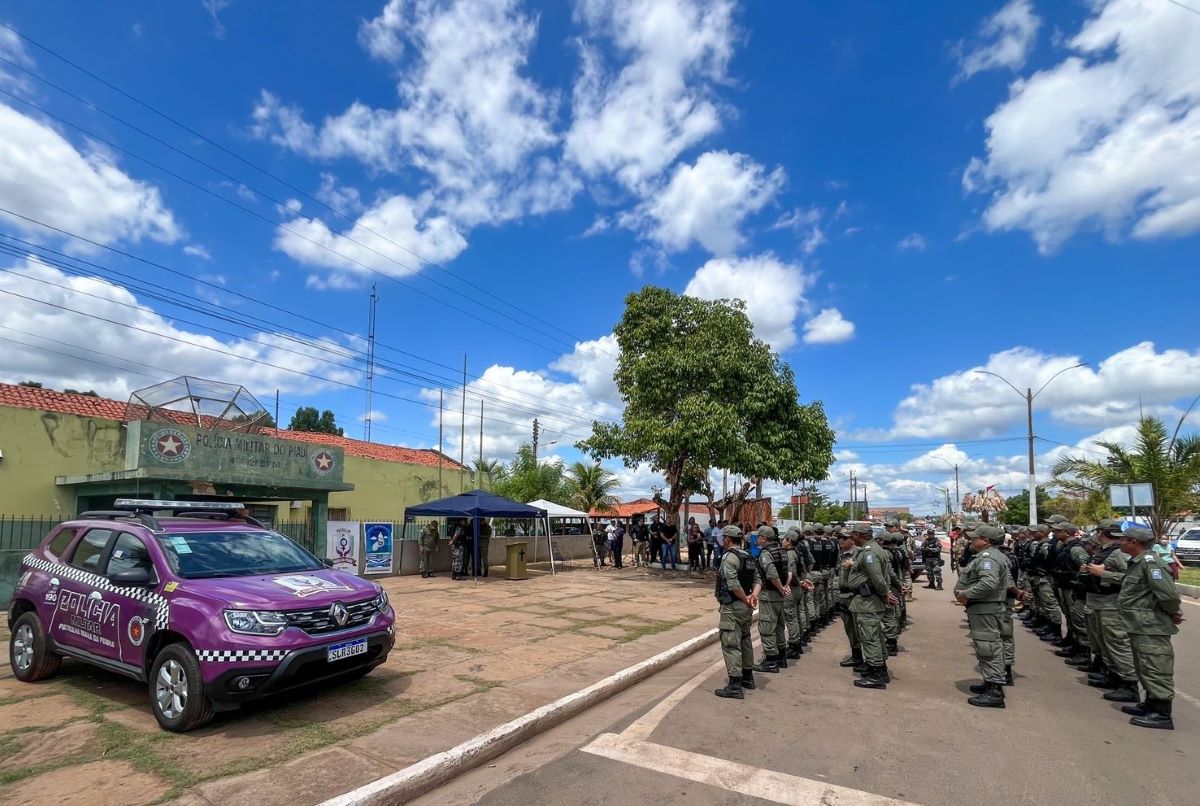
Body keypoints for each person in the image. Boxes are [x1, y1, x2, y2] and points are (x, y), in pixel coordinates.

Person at [1117, 527, 1183, 729]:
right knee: (1144, 667)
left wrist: (1173, 612)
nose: (1121, 543)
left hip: (1151, 626)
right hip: (1139, 624)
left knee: (1156, 668)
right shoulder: (1137, 563)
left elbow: (1169, 595)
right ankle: (1151, 704)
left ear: (1134, 543)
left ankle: (1162, 714)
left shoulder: (1150, 563)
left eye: (1125, 540)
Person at [1080, 521, 1138, 702]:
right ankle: (1113, 675)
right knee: (1105, 643)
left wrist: (1103, 574)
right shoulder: (1106, 551)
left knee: (1117, 644)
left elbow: (1132, 579)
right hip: (1100, 603)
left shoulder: (1118, 553)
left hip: (1111, 605)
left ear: (1102, 533)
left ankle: (1129, 684)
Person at [954, 524, 1011, 708]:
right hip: (983, 609)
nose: (971, 540)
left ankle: (995, 691)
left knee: (989, 647)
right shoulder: (988, 556)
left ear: (985, 541)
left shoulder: (989, 558)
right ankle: (989, 682)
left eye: (975, 538)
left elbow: (988, 583)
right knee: (986, 646)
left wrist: (965, 594)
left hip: (987, 609)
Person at [714, 525, 762, 699]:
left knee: (731, 644)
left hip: (733, 606)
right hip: (745, 607)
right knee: (745, 640)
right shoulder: (748, 556)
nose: (722, 540)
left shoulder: (729, 558)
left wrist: (745, 599)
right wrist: (752, 597)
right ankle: (748, 678)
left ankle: (735, 685)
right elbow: (758, 579)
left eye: (723, 537)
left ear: (728, 538)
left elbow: (733, 584)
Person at [847, 524, 894, 688]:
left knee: (870, 637)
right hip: (868, 601)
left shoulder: (869, 552)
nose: (852, 538)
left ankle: (876, 675)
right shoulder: (871, 549)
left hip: (869, 602)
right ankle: (879, 668)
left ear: (860, 535)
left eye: (853, 535)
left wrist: (885, 593)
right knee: (874, 635)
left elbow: (878, 578)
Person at [754, 526, 791, 673]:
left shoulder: (766, 553)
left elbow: (772, 574)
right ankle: (781, 658)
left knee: (767, 628)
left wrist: (780, 588)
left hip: (770, 594)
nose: (757, 539)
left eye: (759, 537)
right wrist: (784, 587)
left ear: (763, 538)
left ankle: (770, 661)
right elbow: (788, 572)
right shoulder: (782, 551)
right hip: (779, 596)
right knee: (779, 627)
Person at [835, 528, 863, 671]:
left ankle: (867, 659)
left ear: (852, 539)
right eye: (839, 537)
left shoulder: (858, 554)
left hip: (854, 596)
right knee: (849, 628)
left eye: (844, 538)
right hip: (843, 596)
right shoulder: (841, 554)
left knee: (860, 629)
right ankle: (856, 656)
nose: (841, 540)